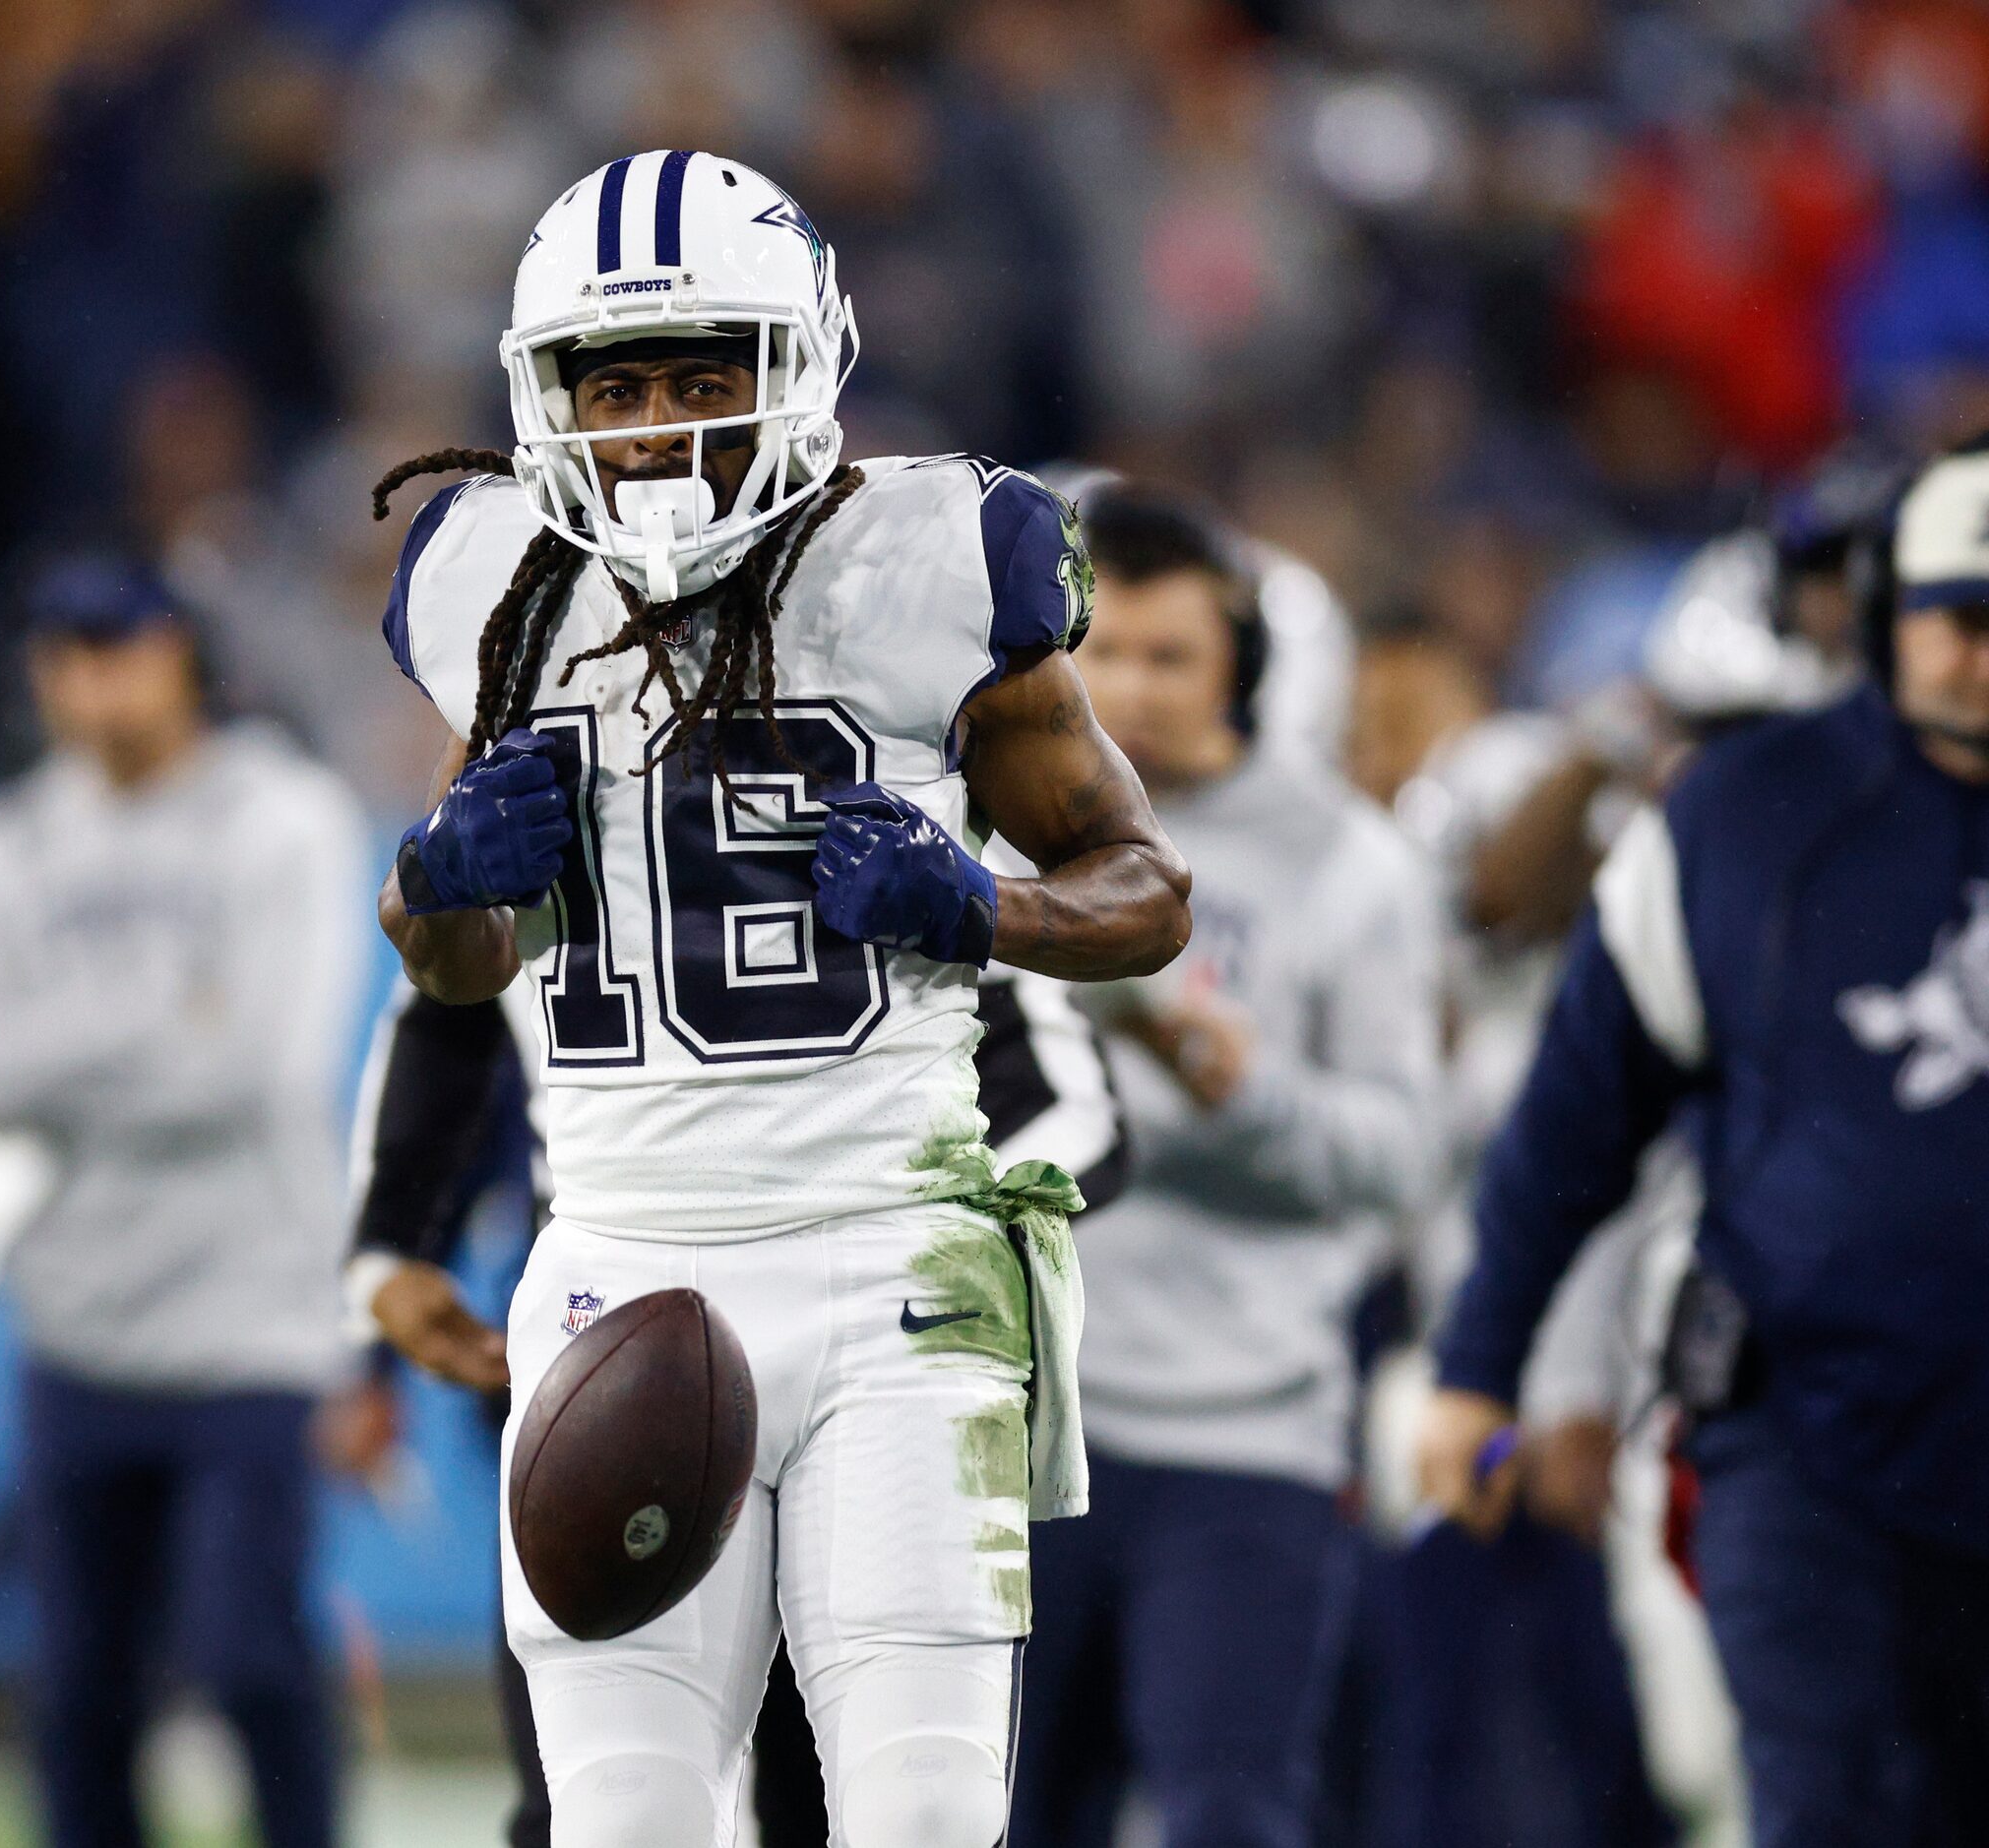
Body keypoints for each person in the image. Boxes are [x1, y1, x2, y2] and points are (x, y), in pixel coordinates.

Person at [373, 149, 1192, 1848]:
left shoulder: (934, 559)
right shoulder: (494, 589)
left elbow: (1147, 890)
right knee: (624, 1826)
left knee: (915, 1819)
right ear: (546, 399)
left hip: (898, 1265)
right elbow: (456, 967)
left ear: (800, 364)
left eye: (703, 373)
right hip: (615, 1260)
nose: (661, 423)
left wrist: (983, 905)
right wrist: (446, 885)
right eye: (618, 384)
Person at [1420, 437, 1989, 1846]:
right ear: (1884, 618)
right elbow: (1576, 1120)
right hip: (1799, 1436)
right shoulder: (1744, 813)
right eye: (1962, 619)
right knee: (1811, 1809)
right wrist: (1480, 1366)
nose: (1987, 658)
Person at [343, 952, 1132, 1848]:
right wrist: (387, 1254)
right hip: (619, 1337)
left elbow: (1073, 1098)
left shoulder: (907, 817)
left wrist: (927, 1238)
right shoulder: (534, 819)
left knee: (899, 1796)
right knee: (605, 1805)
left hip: (866, 1347)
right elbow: (443, 997)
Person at [0, 554, 368, 1848]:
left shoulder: (285, 817)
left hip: (250, 1318)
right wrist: (161, 1020)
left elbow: (257, 1065)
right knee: (78, 1697)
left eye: (114, 646)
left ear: (183, 655)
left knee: (249, 1656)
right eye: (59, 651)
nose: (84, 679)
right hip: (75, 1320)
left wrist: (52, 1053)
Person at [1003, 488, 1446, 1848]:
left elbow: (1395, 1157)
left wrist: (1232, 1089)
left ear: (1243, 673)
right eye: (1102, 648)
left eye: (1168, 655)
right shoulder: (990, 828)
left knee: (1230, 1819)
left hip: (1244, 1430)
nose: (1126, 689)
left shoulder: (1347, 863)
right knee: (981, 1817)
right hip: (1013, 1424)